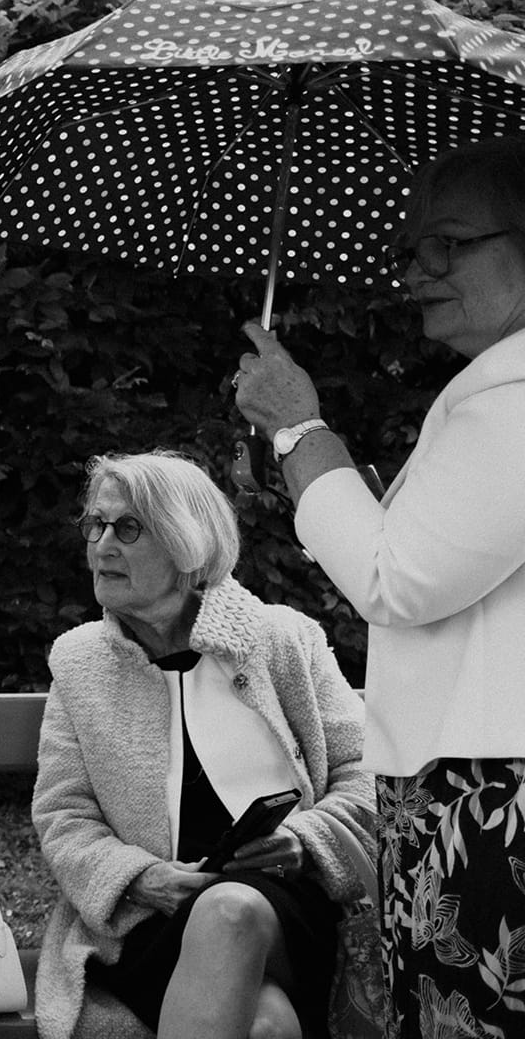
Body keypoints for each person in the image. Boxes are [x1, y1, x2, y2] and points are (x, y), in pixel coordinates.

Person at [233, 135, 525, 1038]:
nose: (419, 269)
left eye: (451, 241)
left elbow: (397, 579)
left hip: (489, 797)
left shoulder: (512, 395)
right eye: (412, 247)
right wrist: (284, 449)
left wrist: (298, 428)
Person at [32, 449, 374, 1039]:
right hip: (152, 916)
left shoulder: (282, 639)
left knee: (230, 910)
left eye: (128, 528)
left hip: (285, 905)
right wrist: (140, 878)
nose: (102, 544)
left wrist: (303, 841)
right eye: (96, 524)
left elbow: (365, 772)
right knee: (267, 1028)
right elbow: (64, 815)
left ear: (187, 543)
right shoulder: (79, 661)